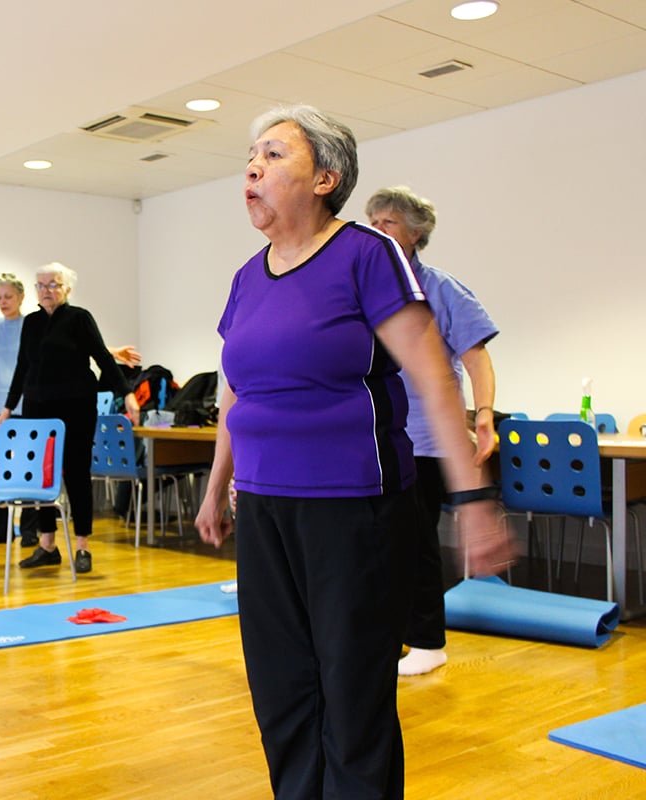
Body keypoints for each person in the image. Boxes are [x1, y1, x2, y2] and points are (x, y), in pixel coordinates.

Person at [194, 105, 513, 799]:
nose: (253, 166)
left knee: (352, 695)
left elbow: (434, 380)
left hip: (355, 507)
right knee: (281, 688)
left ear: (326, 177)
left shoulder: (367, 254)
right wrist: (216, 487)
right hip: (266, 506)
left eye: (275, 154)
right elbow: (235, 395)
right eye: (251, 155)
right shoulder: (248, 278)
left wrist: (472, 501)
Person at [366, 185, 500, 677]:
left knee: (416, 541)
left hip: (424, 439)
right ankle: (393, 634)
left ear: (416, 235)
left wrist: (483, 412)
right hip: (374, 438)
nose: (377, 231)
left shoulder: (442, 289)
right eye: (372, 222)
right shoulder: (367, 288)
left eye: (389, 224)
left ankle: (427, 640)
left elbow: (476, 355)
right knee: (381, 544)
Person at [0, 273, 141, 546]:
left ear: (66, 288)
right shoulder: (26, 323)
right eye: (41, 285)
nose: (46, 290)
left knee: (70, 472)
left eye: (53, 285)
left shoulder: (72, 318)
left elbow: (94, 352)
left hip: (71, 408)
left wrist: (125, 387)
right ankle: (31, 540)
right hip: (29, 407)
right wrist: (7, 406)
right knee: (34, 474)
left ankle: (70, 542)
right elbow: (21, 365)